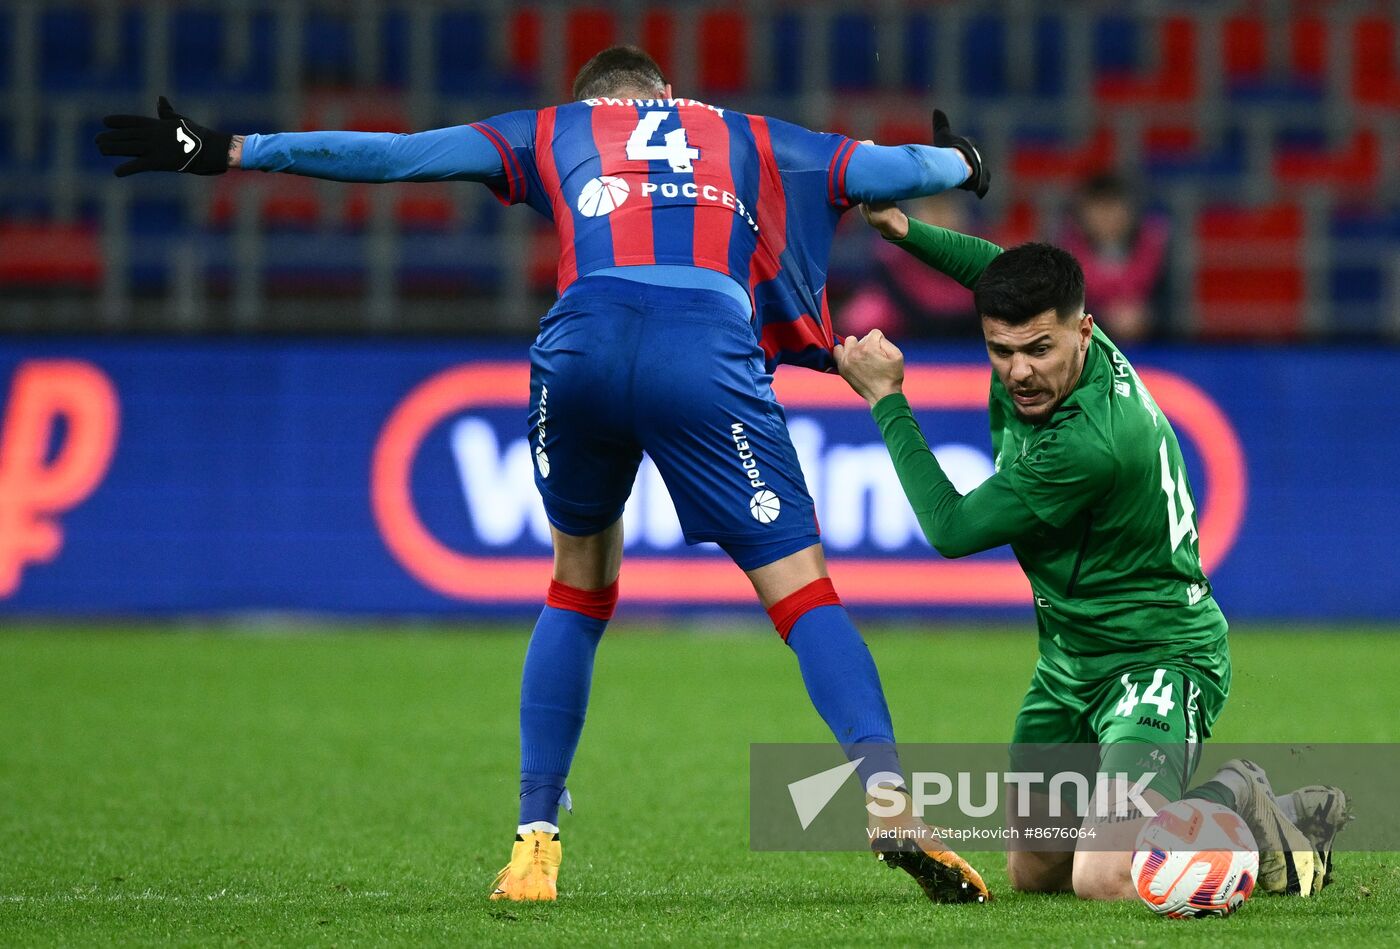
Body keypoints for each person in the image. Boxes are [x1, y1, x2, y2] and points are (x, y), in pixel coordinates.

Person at [96, 47, 995, 904]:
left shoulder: (549, 129)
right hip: (706, 346)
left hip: (582, 342)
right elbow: (894, 171)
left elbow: (398, 158)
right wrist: (963, 161)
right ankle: (888, 800)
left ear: (594, 99)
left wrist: (231, 149)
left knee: (577, 585)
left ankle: (535, 836)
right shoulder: (757, 136)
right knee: (803, 595)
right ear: (667, 93)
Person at [832, 202, 1349, 901]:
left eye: (1037, 350)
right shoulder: (1058, 337)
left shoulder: (1085, 443)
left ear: (1084, 329)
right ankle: (1202, 813)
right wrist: (905, 231)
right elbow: (992, 270)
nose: (1017, 372)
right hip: (1068, 663)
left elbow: (951, 529)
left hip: (1157, 659)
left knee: (1104, 874)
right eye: (1000, 349)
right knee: (1038, 873)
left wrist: (886, 399)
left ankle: (1241, 800)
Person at [1059, 172, 1169, 343]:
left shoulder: (1158, 248)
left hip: (1158, 348)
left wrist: (1148, 316)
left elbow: (1175, 304)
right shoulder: (1064, 258)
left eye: (1113, 209)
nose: (1107, 219)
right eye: (1099, 210)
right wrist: (1103, 318)